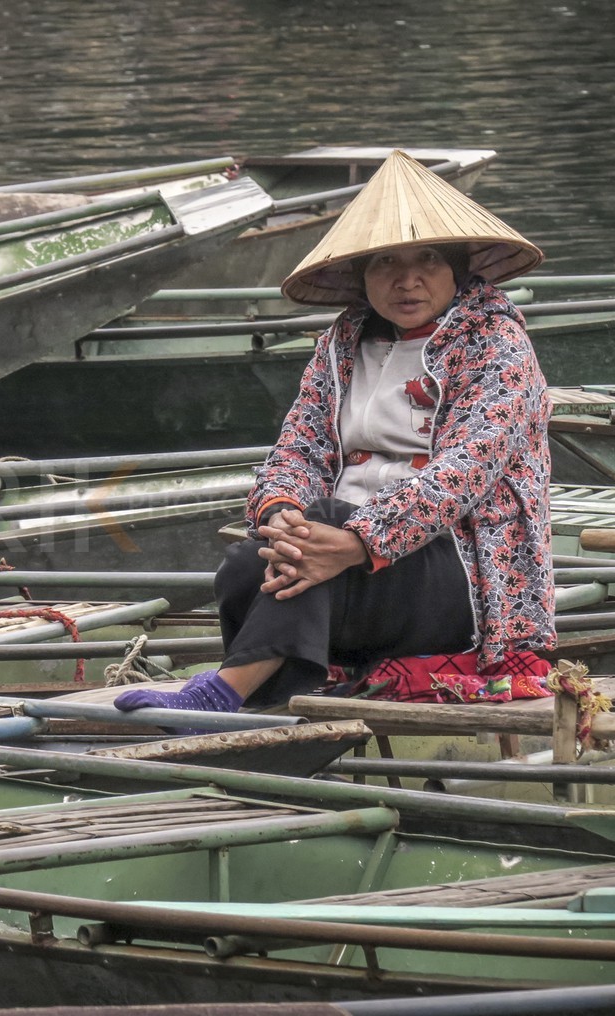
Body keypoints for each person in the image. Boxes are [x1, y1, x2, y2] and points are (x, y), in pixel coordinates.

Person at [114, 149, 556, 723]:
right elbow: (298, 446)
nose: (407, 279)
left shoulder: (497, 345)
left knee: (318, 533)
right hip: (347, 561)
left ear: (457, 269)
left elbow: (463, 474)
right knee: (250, 563)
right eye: (385, 264)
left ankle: (224, 691)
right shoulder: (341, 345)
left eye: (427, 259)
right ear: (361, 276)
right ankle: (263, 684)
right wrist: (281, 515)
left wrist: (357, 541)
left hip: (461, 577)